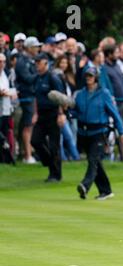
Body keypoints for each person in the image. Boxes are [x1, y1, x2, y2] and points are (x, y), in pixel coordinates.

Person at [73, 67, 123, 200]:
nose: (88, 78)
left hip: (99, 132)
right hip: (84, 132)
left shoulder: (104, 94)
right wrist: (67, 112)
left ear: (96, 77)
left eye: (91, 76)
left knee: (93, 160)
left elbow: (114, 113)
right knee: (95, 162)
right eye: (87, 76)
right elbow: (77, 112)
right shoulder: (80, 94)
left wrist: (121, 131)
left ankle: (85, 185)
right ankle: (106, 190)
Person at [30, 53, 66, 182]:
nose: (37, 65)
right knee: (35, 141)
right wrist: (35, 113)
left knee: (54, 146)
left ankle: (56, 175)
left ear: (45, 63)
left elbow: (60, 97)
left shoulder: (52, 78)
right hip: (41, 114)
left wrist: (61, 114)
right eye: (36, 63)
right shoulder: (36, 78)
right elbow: (36, 97)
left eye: (39, 63)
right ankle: (49, 163)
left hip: (53, 114)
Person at [16, 36, 41, 163]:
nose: (38, 49)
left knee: (30, 125)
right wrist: (39, 73)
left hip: (31, 96)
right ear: (30, 47)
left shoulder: (30, 60)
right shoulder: (22, 61)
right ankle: (27, 155)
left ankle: (29, 153)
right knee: (27, 126)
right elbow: (27, 79)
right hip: (26, 97)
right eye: (36, 46)